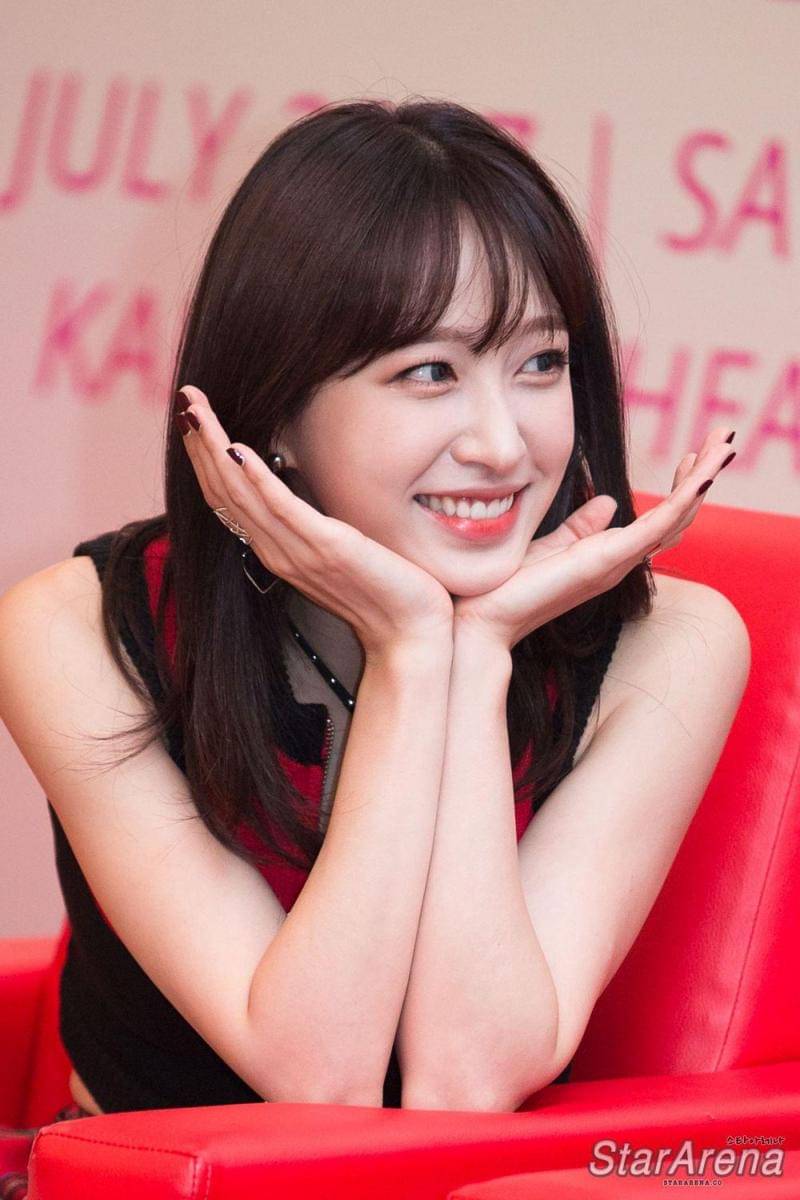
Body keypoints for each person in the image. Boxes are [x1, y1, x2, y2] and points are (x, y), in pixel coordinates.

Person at [0, 97, 750, 1121]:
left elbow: (467, 1084)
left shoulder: (673, 646)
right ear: (276, 411)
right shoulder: (75, 631)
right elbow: (319, 1077)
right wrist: (408, 649)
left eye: (540, 363)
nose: (501, 444)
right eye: (429, 372)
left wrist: (473, 656)